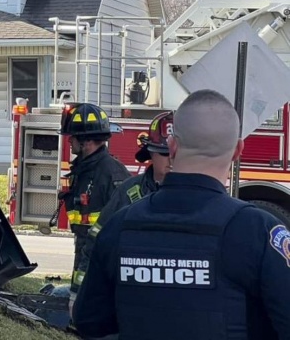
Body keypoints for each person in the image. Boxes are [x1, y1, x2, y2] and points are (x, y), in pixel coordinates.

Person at [72, 89, 290, 339]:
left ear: (172, 146)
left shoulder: (119, 226)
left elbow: (89, 322)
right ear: (238, 150)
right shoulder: (260, 232)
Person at [69, 111, 174, 312]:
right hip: (132, 301)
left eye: (178, 154)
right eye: (165, 153)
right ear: (150, 152)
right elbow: (95, 242)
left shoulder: (199, 198)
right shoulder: (128, 192)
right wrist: (76, 292)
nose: (172, 161)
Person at [57, 102, 132, 301]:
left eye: (72, 137)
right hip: (84, 246)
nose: (69, 141)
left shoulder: (112, 173)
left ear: (87, 141)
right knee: (79, 296)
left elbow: (123, 223)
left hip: (101, 252)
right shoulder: (84, 170)